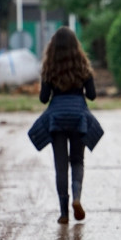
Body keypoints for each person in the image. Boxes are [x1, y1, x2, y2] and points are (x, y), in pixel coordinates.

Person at [28, 26, 104, 225]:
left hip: (56, 119)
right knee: (77, 160)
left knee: (60, 166)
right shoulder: (83, 66)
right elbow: (92, 96)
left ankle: (63, 213)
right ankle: (77, 197)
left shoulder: (49, 67)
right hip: (78, 117)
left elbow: (44, 99)